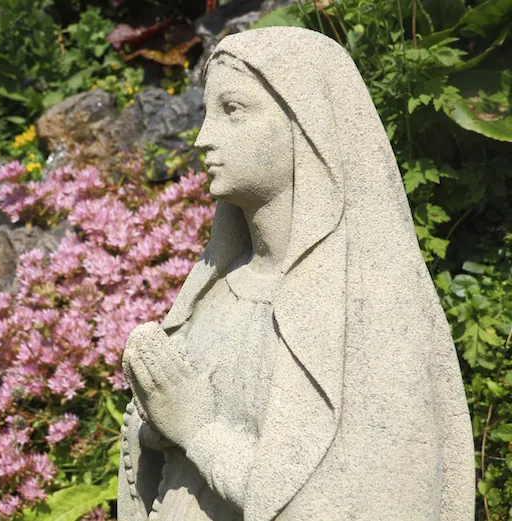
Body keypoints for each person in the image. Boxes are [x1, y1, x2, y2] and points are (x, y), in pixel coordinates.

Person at [118, 27, 475, 521]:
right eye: (207, 113)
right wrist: (151, 423)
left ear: (307, 122)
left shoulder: (371, 310)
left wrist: (198, 429)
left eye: (232, 109)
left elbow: (357, 502)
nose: (203, 138)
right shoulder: (213, 291)